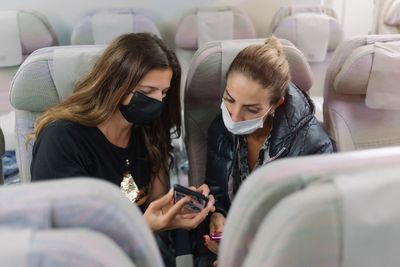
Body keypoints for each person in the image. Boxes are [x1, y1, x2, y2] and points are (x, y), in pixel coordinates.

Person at [30, 33, 215, 249]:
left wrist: (179, 207)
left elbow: (152, 205)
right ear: (115, 85)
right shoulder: (61, 140)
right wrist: (145, 227)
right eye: (147, 92)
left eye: (163, 93)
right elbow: (65, 240)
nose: (157, 102)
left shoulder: (149, 132)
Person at [202, 36, 333, 259]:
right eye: (229, 99)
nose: (234, 117)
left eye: (251, 109)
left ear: (276, 105)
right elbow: (217, 192)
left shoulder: (313, 145)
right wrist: (218, 216)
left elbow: (317, 226)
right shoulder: (220, 128)